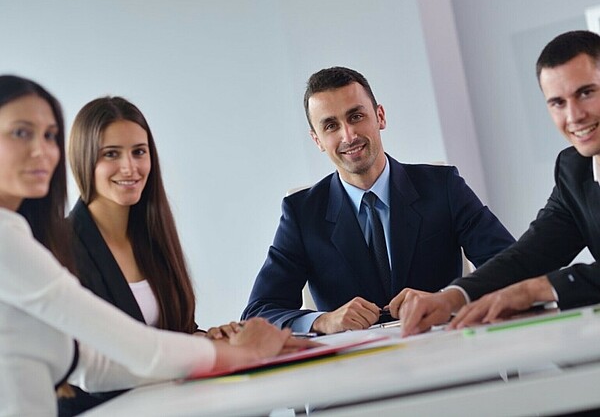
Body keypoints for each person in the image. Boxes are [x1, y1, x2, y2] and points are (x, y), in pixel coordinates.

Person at [0, 75, 310, 417]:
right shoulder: (18, 242)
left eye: (49, 135)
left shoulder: (23, 232)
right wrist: (244, 353)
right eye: (21, 132)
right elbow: (135, 349)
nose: (42, 150)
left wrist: (210, 344)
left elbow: (94, 366)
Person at [241, 66, 514, 334]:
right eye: (331, 126)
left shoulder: (443, 187)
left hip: (448, 357)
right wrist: (323, 321)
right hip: (359, 371)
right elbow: (259, 312)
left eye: (356, 116)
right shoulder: (301, 214)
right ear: (317, 140)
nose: (348, 136)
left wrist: (448, 297)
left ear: (380, 116)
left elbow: (511, 266)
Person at [394, 30, 600, 337]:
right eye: (557, 102)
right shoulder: (574, 169)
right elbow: (531, 254)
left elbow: (535, 280)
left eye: (586, 93)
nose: (574, 116)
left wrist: (537, 290)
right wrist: (453, 296)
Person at [60, 96, 241, 415]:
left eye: (138, 152)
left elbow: (175, 333)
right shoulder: (62, 246)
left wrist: (210, 338)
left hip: (168, 404)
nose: (130, 167)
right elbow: (88, 367)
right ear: (84, 159)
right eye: (111, 154)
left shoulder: (153, 235)